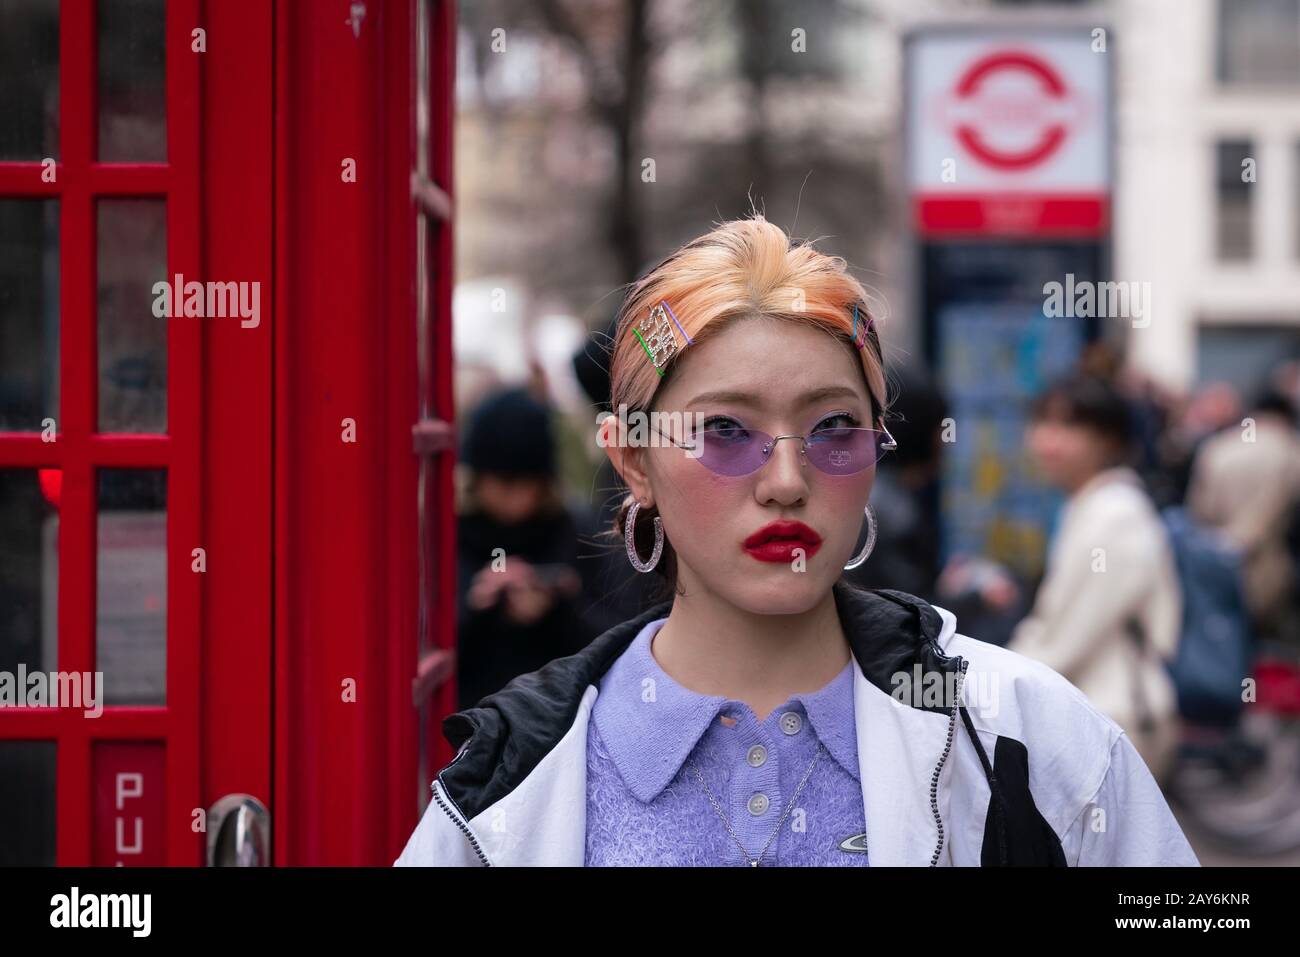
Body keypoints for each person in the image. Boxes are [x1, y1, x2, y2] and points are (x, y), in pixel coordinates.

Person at [397, 214, 1197, 866]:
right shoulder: (511, 788)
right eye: (725, 430)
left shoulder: (1022, 732)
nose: (786, 478)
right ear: (634, 458)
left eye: (834, 427)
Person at [1008, 375, 1183, 783]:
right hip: (1103, 715)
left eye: (1069, 427)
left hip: (1112, 720)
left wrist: (983, 684)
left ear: (1108, 440)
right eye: (1042, 423)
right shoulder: (1092, 505)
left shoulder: (1112, 514)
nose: (1046, 441)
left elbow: (1065, 636)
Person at [455, 386, 596, 711]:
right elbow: (419, 646)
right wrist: (476, 606)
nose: (516, 500)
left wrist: (556, 609)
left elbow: (613, 642)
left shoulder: (573, 531)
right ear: (477, 479)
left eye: (527, 484)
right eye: (504, 484)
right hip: (466, 723)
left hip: (555, 722)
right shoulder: (449, 534)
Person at [1186, 386, 1300, 644]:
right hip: (1272, 569)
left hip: (1217, 567)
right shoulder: (1290, 450)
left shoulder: (1218, 447)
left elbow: (1200, 512)